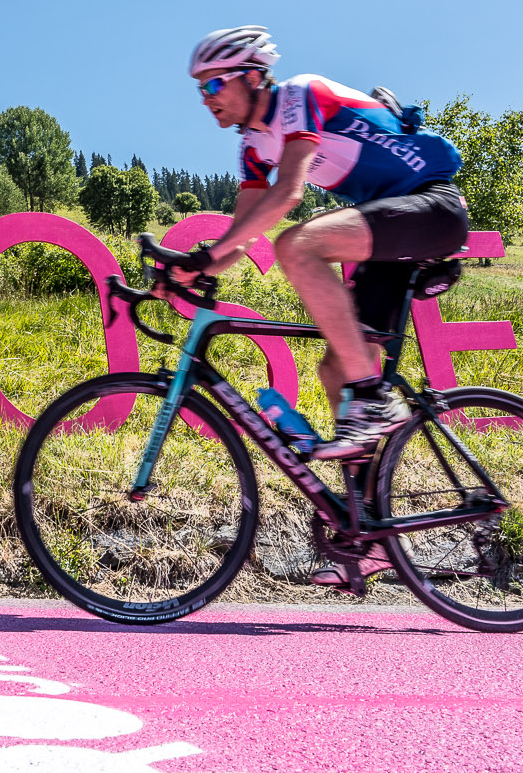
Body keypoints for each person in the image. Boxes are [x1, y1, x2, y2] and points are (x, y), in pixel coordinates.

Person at [174, 25, 469, 462]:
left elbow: (289, 191)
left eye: (215, 82)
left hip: (431, 206)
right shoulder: (253, 147)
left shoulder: (299, 95)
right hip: (389, 235)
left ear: (253, 76)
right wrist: (185, 269)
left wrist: (207, 257)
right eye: (201, 88)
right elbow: (241, 239)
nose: (206, 96)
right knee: (335, 371)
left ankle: (375, 398)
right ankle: (367, 516)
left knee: (297, 244)